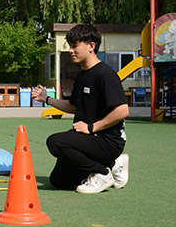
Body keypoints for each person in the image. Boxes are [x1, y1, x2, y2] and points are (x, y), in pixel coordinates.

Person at [31, 24, 130, 194]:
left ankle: (103, 172)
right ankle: (113, 163)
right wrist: (46, 98)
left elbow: (122, 111)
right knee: (58, 181)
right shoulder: (83, 75)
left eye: (74, 46)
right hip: (88, 139)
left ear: (91, 46)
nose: (70, 50)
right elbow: (72, 107)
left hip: (107, 140)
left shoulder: (105, 74)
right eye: (69, 46)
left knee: (55, 142)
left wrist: (92, 127)